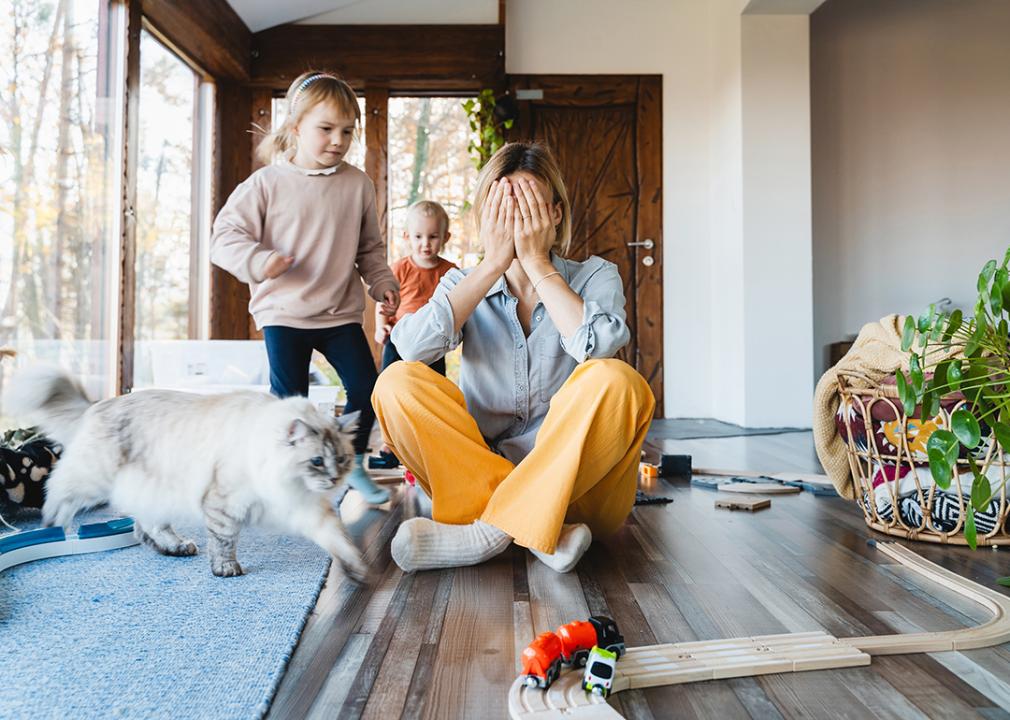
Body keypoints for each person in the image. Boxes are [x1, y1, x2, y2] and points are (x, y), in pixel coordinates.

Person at [372, 142, 655, 573]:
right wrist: (490, 267)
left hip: (579, 493)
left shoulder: (596, 275)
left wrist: (539, 265)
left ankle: (489, 533)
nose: (516, 219)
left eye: (528, 206)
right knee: (395, 383)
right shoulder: (461, 282)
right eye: (503, 207)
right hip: (474, 484)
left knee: (618, 381)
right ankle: (540, 530)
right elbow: (409, 348)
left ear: (555, 214)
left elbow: (599, 346)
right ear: (485, 217)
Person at [211, 71, 396, 505]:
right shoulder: (266, 184)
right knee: (290, 407)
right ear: (295, 128)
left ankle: (348, 465)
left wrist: (382, 281)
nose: (338, 139)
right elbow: (224, 237)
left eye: (347, 131)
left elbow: (370, 247)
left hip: (338, 315)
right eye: (326, 129)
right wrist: (260, 261)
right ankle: (286, 483)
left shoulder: (357, 185)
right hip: (284, 314)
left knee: (368, 392)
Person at [370, 200, 458, 469]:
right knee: (389, 391)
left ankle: (427, 442)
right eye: (419, 237)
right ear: (407, 237)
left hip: (433, 344)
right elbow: (383, 303)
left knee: (431, 393)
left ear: (446, 237)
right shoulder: (399, 269)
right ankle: (390, 444)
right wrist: (380, 325)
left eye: (433, 237)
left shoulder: (450, 272)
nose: (426, 244)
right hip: (398, 340)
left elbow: (457, 305)